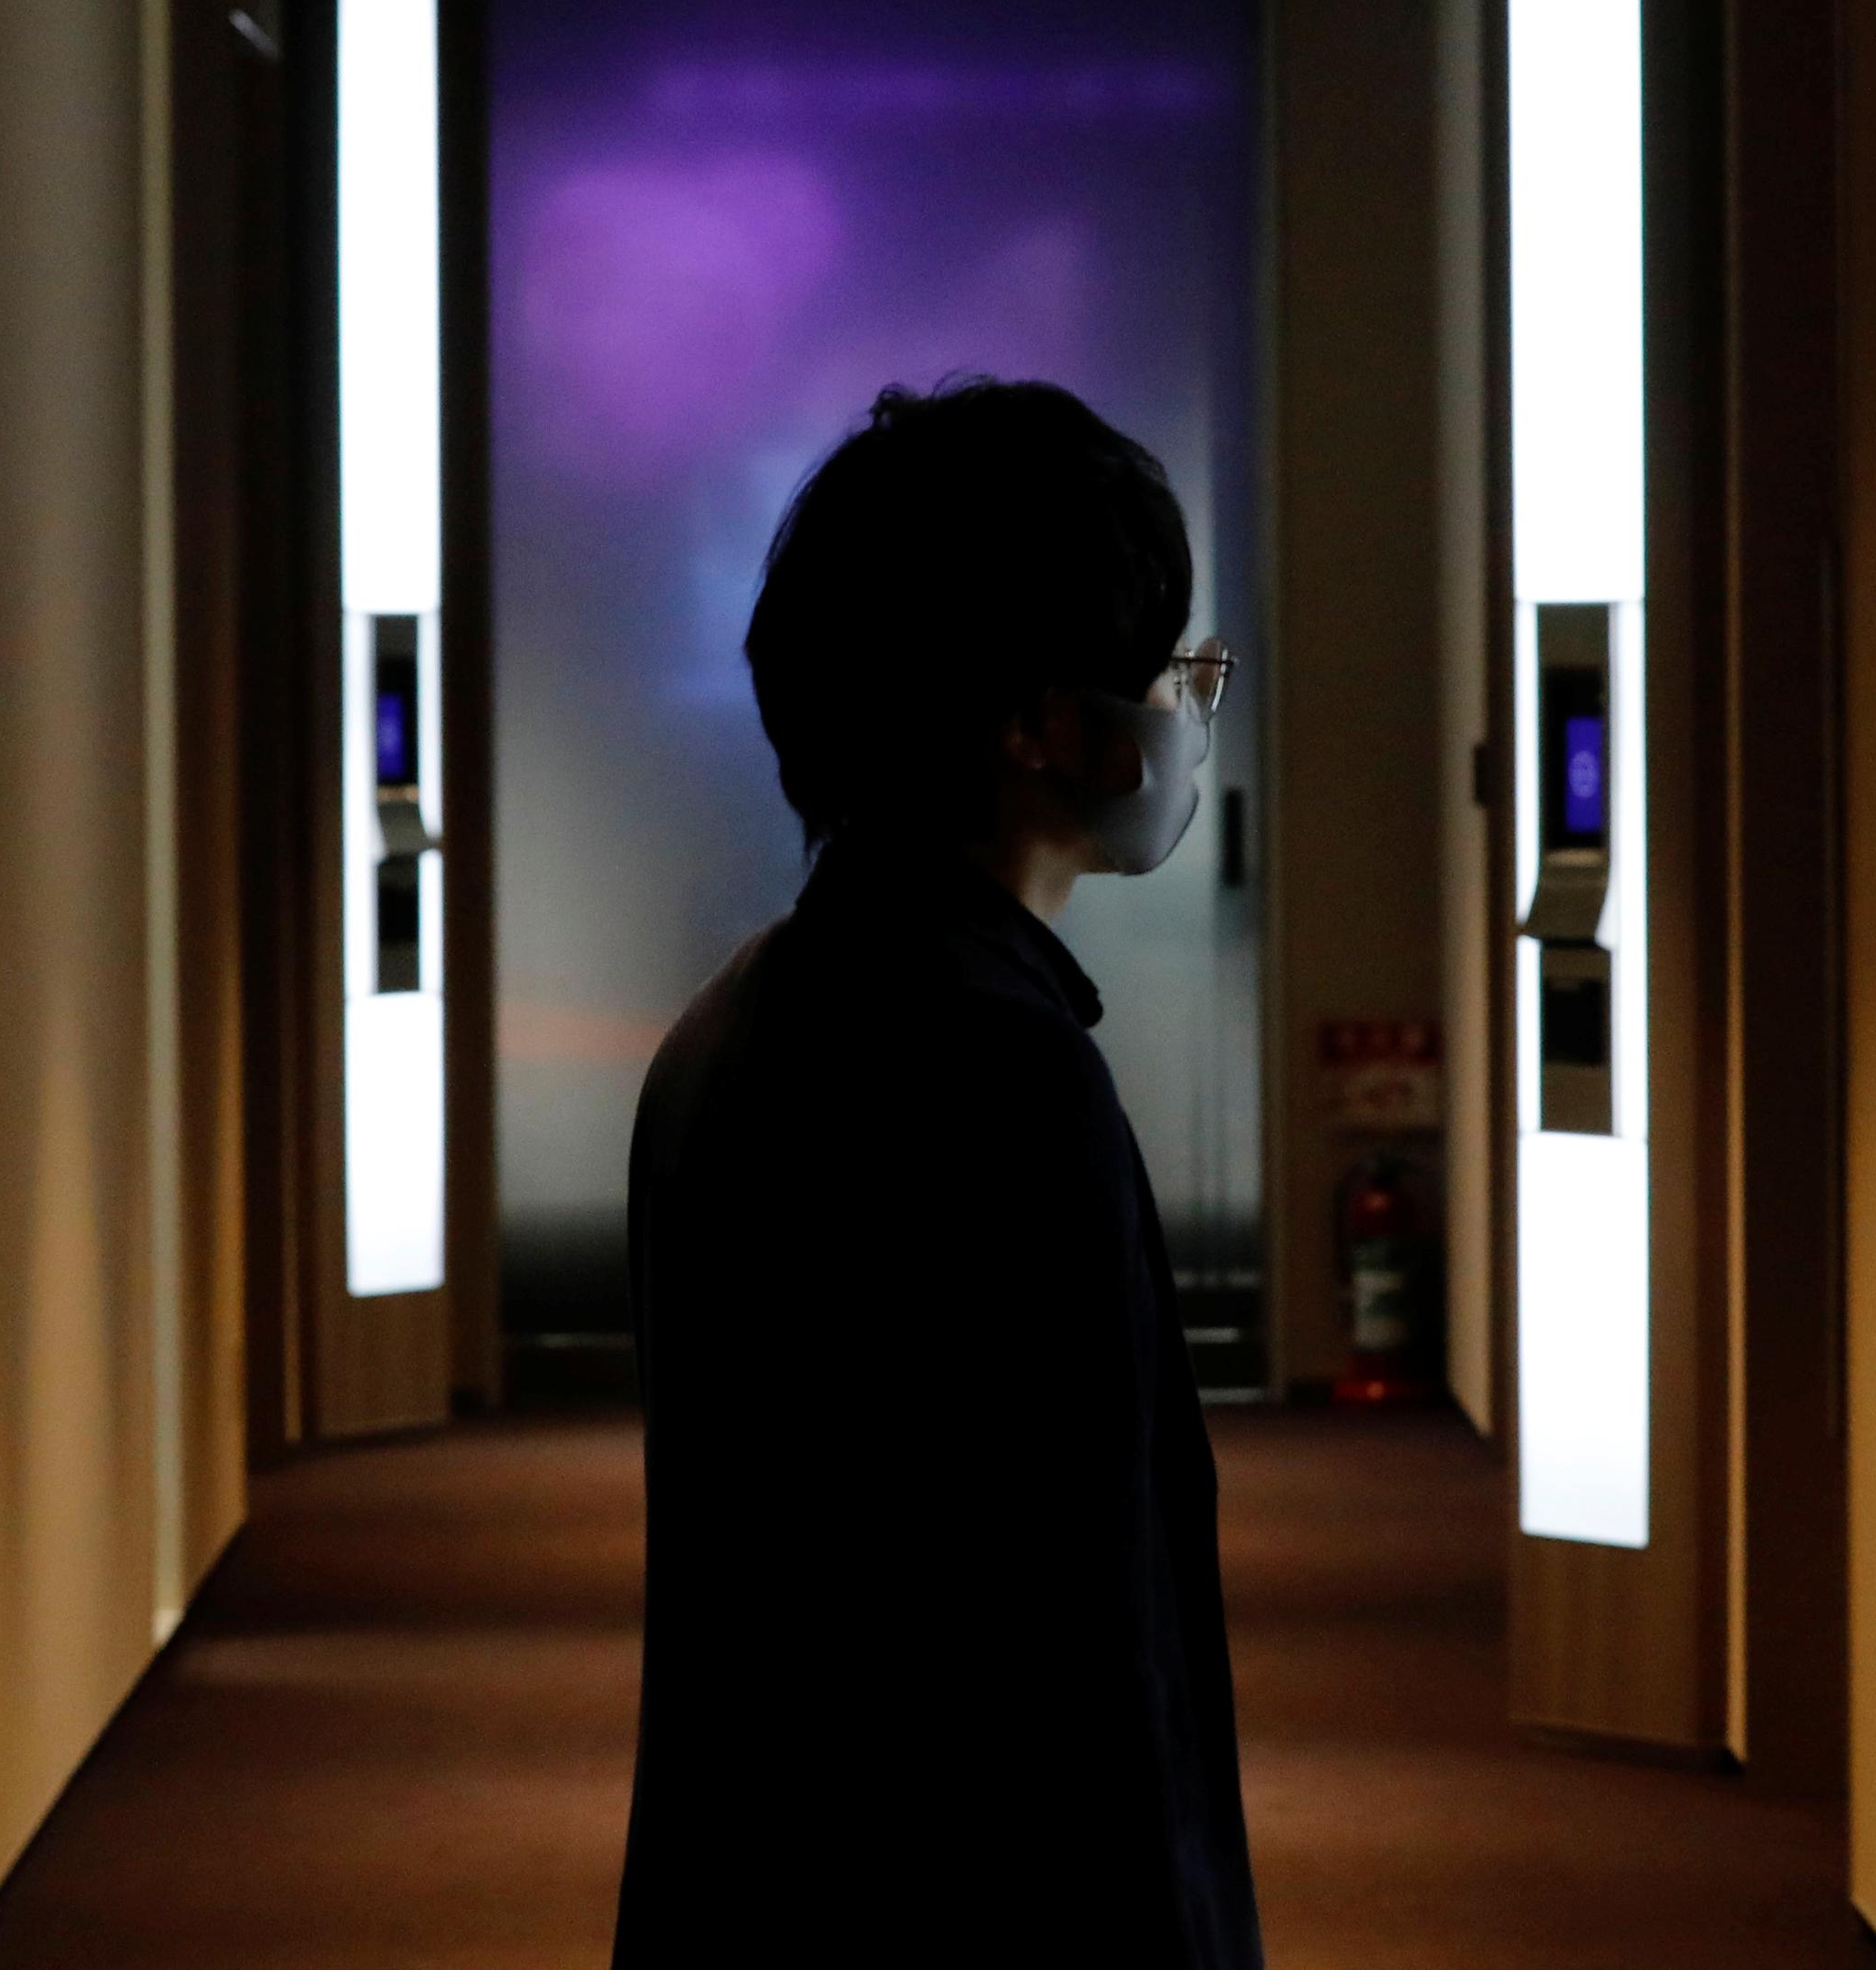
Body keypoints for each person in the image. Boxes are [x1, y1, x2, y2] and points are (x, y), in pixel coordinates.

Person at [610, 378, 1260, 1968]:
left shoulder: (731, 1024)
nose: (1184, 713)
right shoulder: (1003, 1074)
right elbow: (1084, 1650)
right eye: (1164, 673)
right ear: (1035, 723)